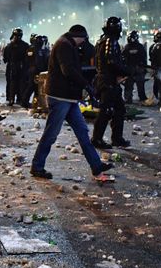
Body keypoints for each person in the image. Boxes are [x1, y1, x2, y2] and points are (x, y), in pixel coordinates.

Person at [30, 25, 114, 180]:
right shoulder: (64, 45)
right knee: (51, 134)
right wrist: (86, 86)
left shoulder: (67, 44)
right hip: (60, 98)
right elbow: (68, 70)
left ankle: (96, 167)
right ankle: (37, 166)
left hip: (69, 98)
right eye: (83, 39)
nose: (83, 43)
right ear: (79, 36)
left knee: (83, 132)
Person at [91, 16, 132, 149]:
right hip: (108, 80)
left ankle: (117, 138)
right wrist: (127, 71)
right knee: (106, 111)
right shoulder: (111, 41)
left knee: (119, 109)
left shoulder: (101, 41)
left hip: (105, 79)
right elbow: (111, 62)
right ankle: (97, 139)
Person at [2, 28, 29, 107]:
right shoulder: (24, 45)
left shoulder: (9, 46)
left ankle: (12, 98)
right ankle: (16, 98)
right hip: (17, 67)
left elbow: (5, 59)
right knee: (17, 83)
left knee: (13, 83)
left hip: (14, 67)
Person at [122, 30, 148, 104]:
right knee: (140, 85)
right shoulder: (140, 47)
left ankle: (128, 99)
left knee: (129, 85)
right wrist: (144, 68)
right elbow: (144, 58)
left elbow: (122, 58)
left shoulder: (126, 47)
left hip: (129, 69)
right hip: (139, 68)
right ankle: (142, 99)